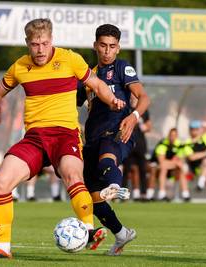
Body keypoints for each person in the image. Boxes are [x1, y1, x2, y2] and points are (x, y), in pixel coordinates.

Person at [0, 18, 125, 259]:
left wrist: (112, 100)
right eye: (35, 44)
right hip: (35, 138)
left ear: (51, 40)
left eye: (44, 43)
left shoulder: (70, 59)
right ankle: (3, 248)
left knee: (73, 175)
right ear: (27, 44)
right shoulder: (20, 66)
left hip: (65, 134)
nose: (40, 49)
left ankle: (88, 230)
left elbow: (97, 83)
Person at [77, 24, 150, 256]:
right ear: (95, 46)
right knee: (93, 198)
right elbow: (72, 104)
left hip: (120, 130)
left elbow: (143, 97)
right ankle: (121, 234)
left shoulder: (121, 68)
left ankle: (116, 187)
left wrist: (134, 116)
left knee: (107, 160)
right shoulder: (87, 75)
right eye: (103, 46)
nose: (107, 51)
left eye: (112, 46)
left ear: (118, 48)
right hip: (92, 138)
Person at [147, 128, 190, 201]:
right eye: (171, 135)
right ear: (168, 135)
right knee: (162, 168)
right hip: (157, 167)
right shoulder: (163, 144)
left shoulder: (179, 145)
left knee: (180, 170)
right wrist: (175, 162)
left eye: (174, 136)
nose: (173, 137)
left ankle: (185, 195)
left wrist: (176, 162)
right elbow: (161, 162)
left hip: (170, 168)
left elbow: (180, 160)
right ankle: (159, 194)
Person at [123, 94, 151, 201]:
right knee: (127, 168)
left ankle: (143, 193)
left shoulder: (143, 111)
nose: (134, 99)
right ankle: (123, 193)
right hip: (128, 142)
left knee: (142, 168)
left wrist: (144, 127)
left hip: (140, 144)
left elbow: (149, 126)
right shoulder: (127, 110)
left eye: (136, 97)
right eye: (132, 97)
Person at [183, 120, 206, 200]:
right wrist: (205, 153)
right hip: (196, 168)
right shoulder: (187, 142)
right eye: (193, 129)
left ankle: (201, 183)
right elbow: (191, 157)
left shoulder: (205, 137)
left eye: (197, 129)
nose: (195, 131)